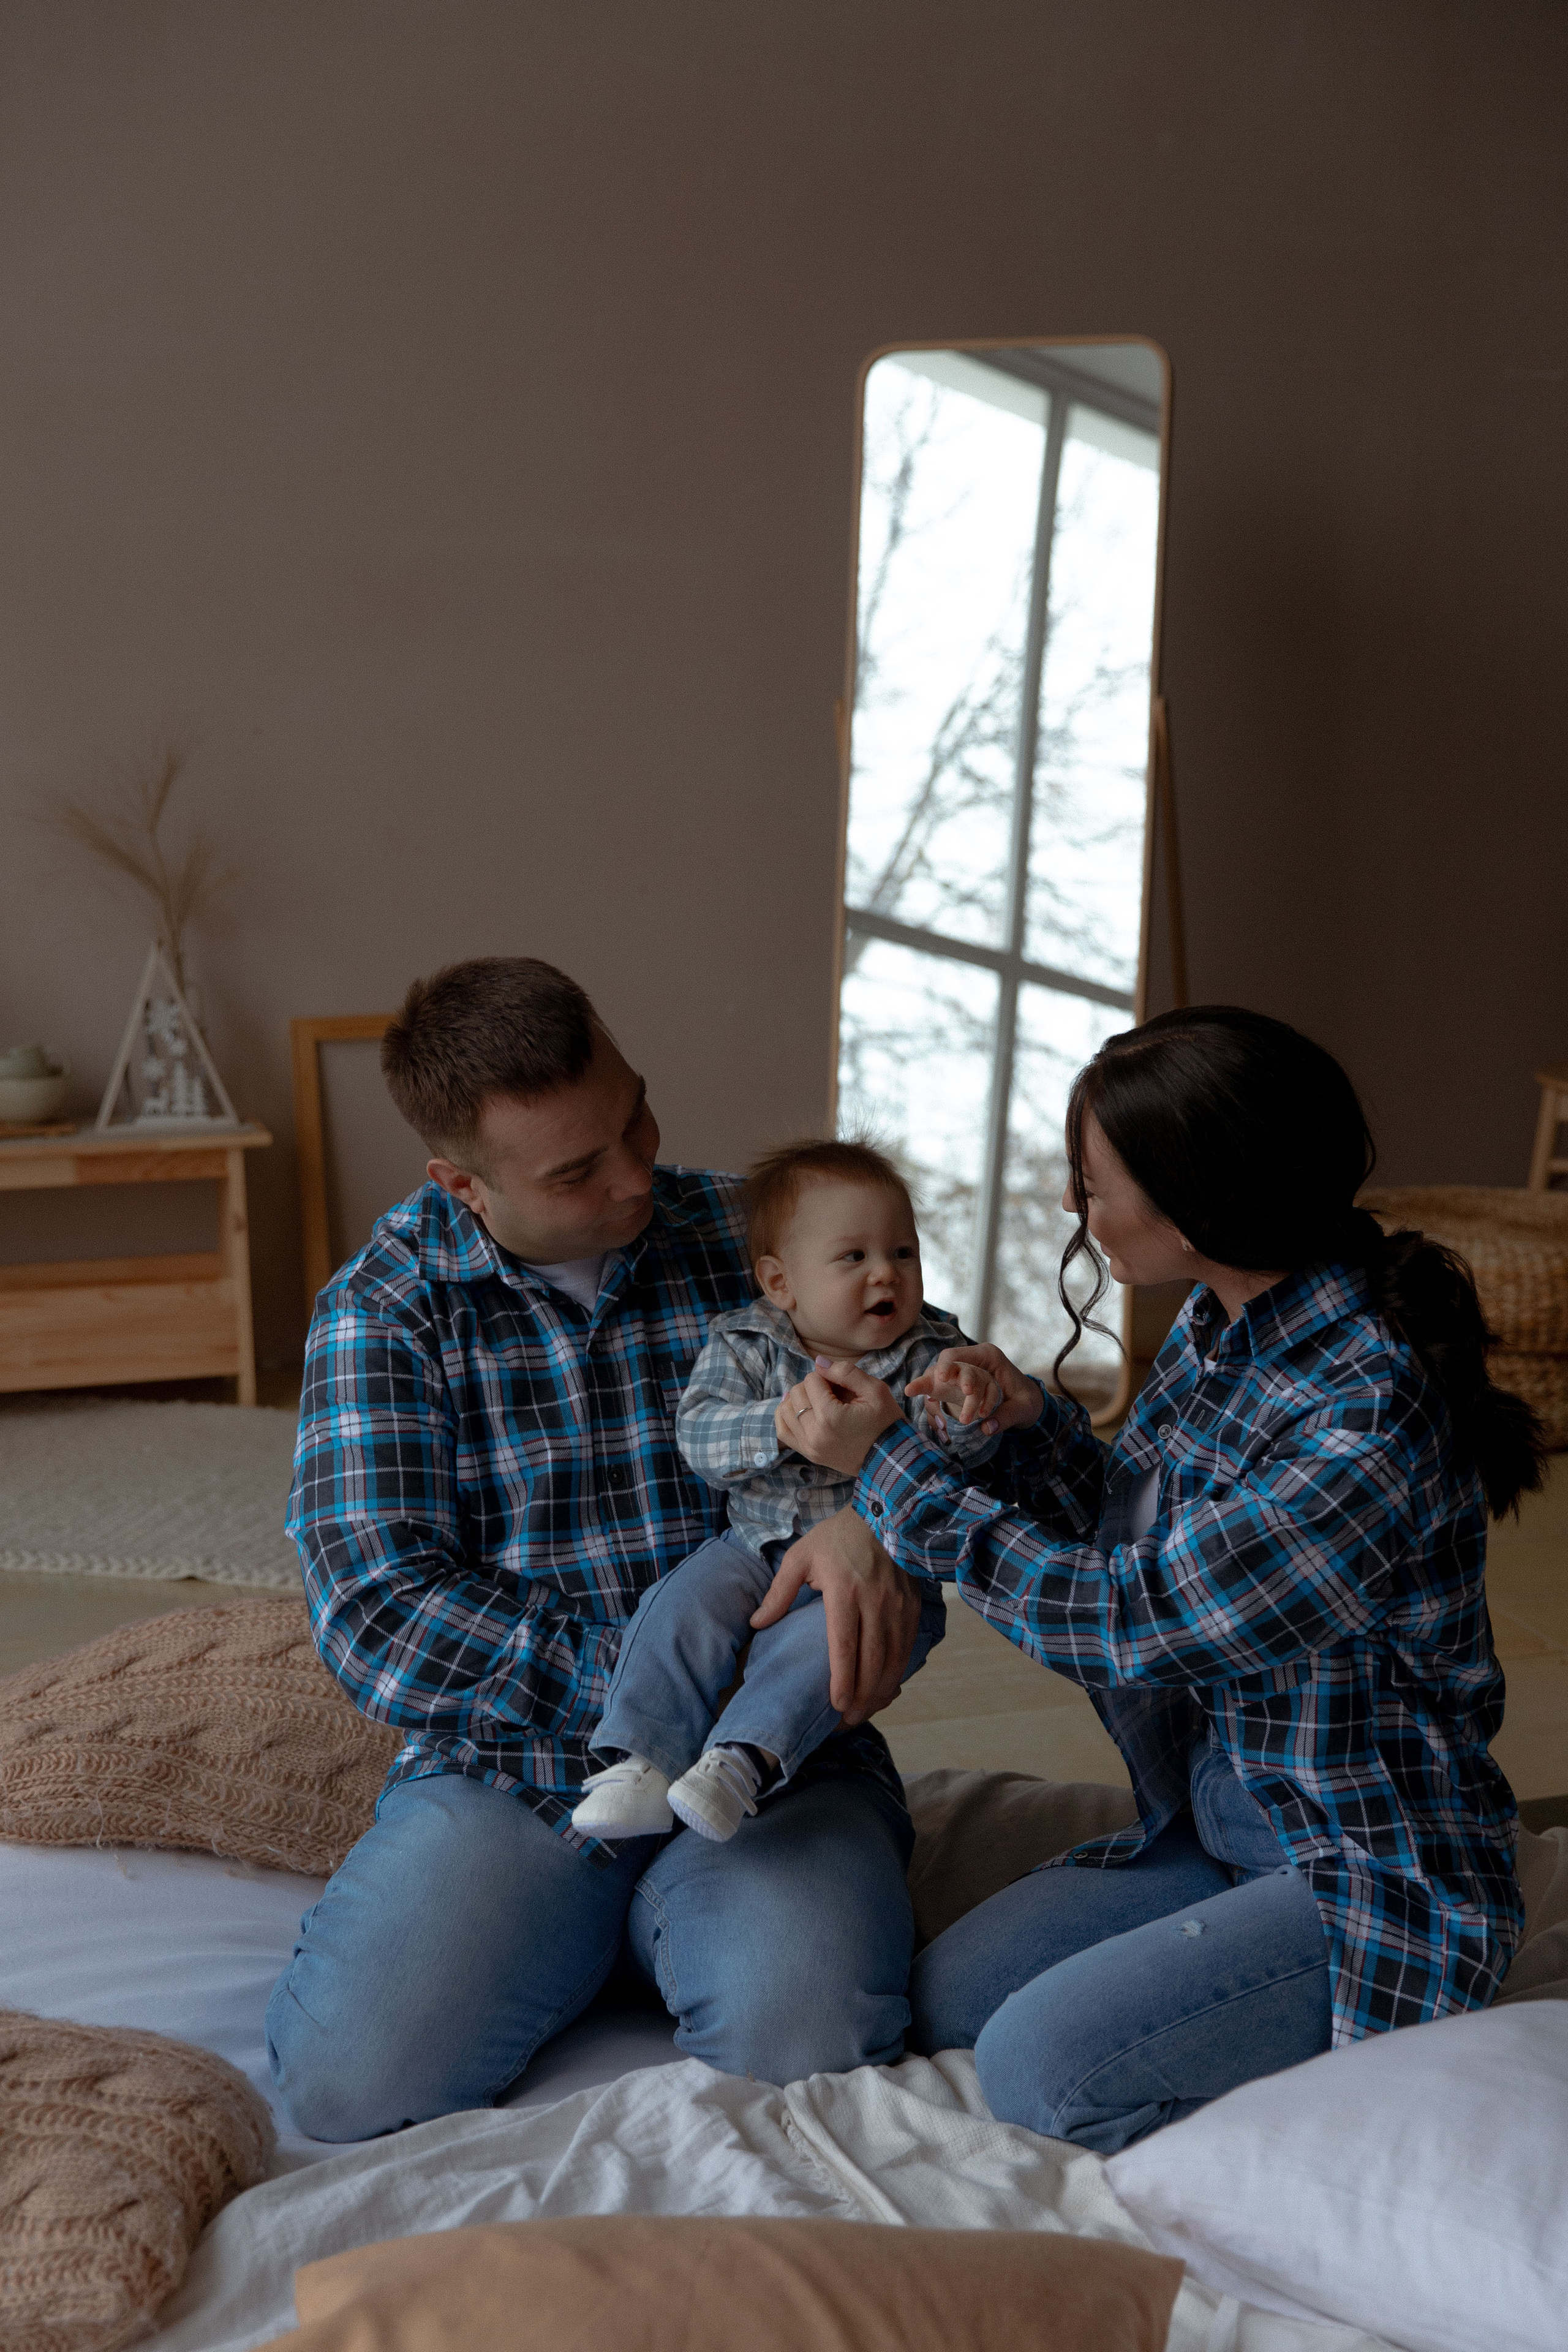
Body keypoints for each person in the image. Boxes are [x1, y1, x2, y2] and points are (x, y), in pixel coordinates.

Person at [763, 1006, 1545, 2155]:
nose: (1075, 1212)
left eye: (1092, 1187)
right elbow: (1140, 1523)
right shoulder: (1225, 1322)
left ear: (1202, 1199)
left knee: (1042, 2072)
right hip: (1220, 1822)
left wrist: (887, 1471)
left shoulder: (1365, 1409)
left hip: (1364, 1866)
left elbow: (1137, 1618)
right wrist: (1029, 1424)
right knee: (949, 2000)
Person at [266, 957, 925, 2141]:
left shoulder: (760, 1238)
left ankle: (670, 1923)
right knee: (347, 2085)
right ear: (458, 1182)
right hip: (516, 1773)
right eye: (577, 1170)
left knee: (808, 2048)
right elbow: (378, 1611)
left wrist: (877, 1515)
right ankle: (602, 1922)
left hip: (770, 1769)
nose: (636, 1178)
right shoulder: (386, 1308)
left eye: (637, 1120)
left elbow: (943, 1403)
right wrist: (657, 1693)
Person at [572, 1139, 1001, 1844]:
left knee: (827, 1648)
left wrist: (965, 1410)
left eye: (902, 1252)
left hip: (876, 1570)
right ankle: (639, 1760)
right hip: (750, 1547)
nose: (884, 1274)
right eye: (853, 1257)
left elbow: (965, 1463)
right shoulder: (746, 1342)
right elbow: (699, 1437)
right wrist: (777, 1423)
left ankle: (741, 1761)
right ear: (780, 1284)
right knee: (677, 1608)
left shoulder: (931, 1352)